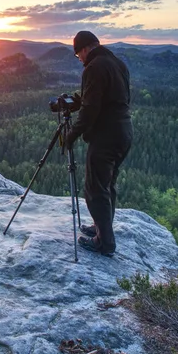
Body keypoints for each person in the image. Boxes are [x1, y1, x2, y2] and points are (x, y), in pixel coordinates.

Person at [64, 31, 133, 257]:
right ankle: (102, 228)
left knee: (95, 189)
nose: (80, 60)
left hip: (106, 136)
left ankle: (104, 243)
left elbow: (91, 111)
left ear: (84, 49)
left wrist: (72, 135)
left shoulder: (94, 68)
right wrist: (82, 102)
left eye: (78, 55)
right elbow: (112, 99)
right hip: (123, 132)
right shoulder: (117, 63)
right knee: (107, 185)